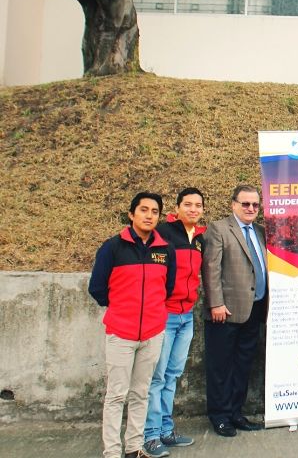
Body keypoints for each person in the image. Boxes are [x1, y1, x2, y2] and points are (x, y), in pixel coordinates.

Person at [88, 192, 176, 458]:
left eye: (154, 211)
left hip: (152, 333)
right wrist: (121, 309)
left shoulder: (165, 250)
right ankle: (112, 452)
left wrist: (151, 313)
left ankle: (134, 448)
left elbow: (167, 288)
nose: (149, 215)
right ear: (132, 214)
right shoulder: (113, 247)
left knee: (141, 393)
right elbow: (97, 288)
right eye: (144, 210)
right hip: (121, 334)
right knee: (116, 395)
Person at [142, 188, 206, 457]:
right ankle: (149, 436)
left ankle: (166, 431)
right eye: (187, 204)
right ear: (177, 208)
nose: (193, 209)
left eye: (198, 205)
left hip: (186, 316)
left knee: (172, 376)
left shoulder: (200, 238)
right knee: (156, 378)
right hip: (165, 316)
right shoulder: (165, 234)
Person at [202, 184, 267, 437]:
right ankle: (219, 416)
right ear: (234, 204)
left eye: (255, 205)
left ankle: (236, 413)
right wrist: (216, 303)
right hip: (225, 311)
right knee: (221, 367)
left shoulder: (261, 231)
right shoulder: (219, 229)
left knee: (242, 365)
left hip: (255, 310)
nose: (251, 208)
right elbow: (211, 269)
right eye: (246, 204)